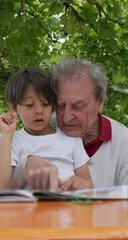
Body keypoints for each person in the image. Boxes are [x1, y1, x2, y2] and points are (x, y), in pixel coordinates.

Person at [13, 58, 128, 190]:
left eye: (78, 106)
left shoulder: (124, 142)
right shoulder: (42, 125)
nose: (67, 118)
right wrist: (25, 163)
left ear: (100, 103)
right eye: (60, 105)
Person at [0, 66, 93, 191]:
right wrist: (6, 135)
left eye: (46, 104)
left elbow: (88, 183)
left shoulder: (72, 140)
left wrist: (81, 184)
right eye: (30, 105)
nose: (39, 111)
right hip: (29, 208)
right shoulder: (12, 141)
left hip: (66, 206)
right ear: (14, 108)